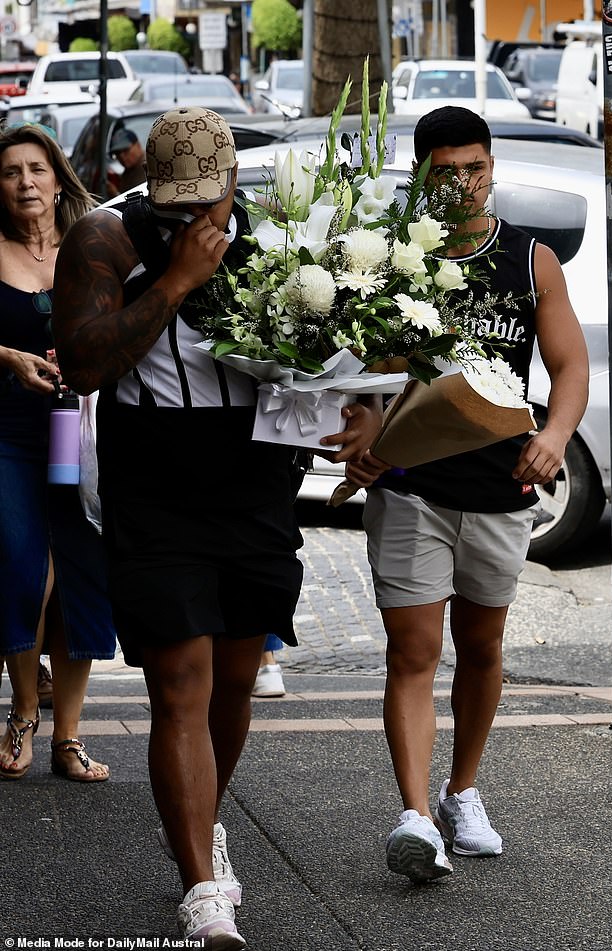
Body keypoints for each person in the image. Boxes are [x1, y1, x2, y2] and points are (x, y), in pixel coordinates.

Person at [51, 106, 381, 947]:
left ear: (235, 180)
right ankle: (203, 886)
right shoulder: (103, 239)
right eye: (177, 204)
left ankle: (204, 823)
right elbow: (82, 362)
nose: (195, 217)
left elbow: (339, 349)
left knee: (235, 679)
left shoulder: (279, 232)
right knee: (180, 686)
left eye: (209, 200)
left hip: (254, 482)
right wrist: (174, 282)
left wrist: (364, 413)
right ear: (144, 183)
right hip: (153, 484)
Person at [345, 106, 589, 884]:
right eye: (446, 171)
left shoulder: (530, 260)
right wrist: (364, 422)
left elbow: (571, 366)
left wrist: (554, 433)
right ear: (422, 176)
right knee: (413, 653)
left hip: (502, 486)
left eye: (475, 167)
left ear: (493, 166)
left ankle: (461, 791)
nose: (463, 182)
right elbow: (360, 366)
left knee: (483, 648)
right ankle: (414, 815)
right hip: (411, 485)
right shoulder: (393, 259)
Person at [0, 122, 116, 783]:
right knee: (23, 561)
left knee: (79, 574)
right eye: (11, 172)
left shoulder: (90, 244)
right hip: (9, 431)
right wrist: (8, 357)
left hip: (76, 430)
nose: (25, 183)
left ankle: (69, 736)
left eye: (36, 169)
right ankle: (23, 708)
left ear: (56, 175)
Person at [106, 127, 146, 198]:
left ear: (138, 145)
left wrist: (116, 195)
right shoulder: (129, 170)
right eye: (117, 153)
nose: (122, 157)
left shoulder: (148, 166)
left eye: (126, 150)